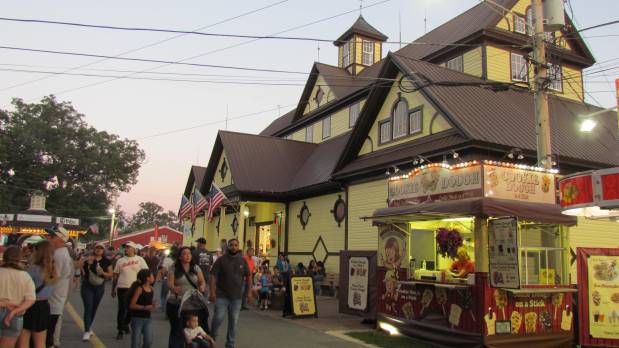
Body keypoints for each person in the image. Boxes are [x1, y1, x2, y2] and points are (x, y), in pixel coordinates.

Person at [209, 239, 252, 348]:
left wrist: (249, 292)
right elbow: (213, 276)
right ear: (228, 246)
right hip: (221, 296)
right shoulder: (221, 260)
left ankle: (230, 344)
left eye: (235, 245)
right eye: (231, 245)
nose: (233, 247)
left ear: (238, 247)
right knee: (218, 319)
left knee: (233, 322)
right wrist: (212, 292)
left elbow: (249, 276)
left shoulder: (242, 261)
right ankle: (211, 340)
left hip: (237, 298)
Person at [17, 240, 58, 348]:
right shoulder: (53, 270)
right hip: (44, 306)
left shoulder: (32, 269)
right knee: (40, 343)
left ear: (37, 251)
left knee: (23, 341)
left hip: (29, 306)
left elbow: (22, 287)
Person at [166, 246, 208, 348]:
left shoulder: (195, 268)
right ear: (180, 257)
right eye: (184, 254)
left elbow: (202, 281)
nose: (187, 256)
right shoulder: (174, 268)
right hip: (176, 302)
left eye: (189, 253)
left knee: (193, 329)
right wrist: (173, 288)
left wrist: (202, 287)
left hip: (192, 303)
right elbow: (169, 283)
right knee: (177, 330)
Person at [0, 246, 36, 347]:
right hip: (14, 315)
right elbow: (31, 299)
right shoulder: (25, 276)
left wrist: (3, 303)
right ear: (20, 259)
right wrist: (13, 312)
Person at [112, 241, 148, 340]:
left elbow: (146, 273)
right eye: (125, 247)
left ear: (133, 249)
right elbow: (115, 275)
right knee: (122, 309)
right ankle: (120, 330)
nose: (126, 249)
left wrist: (145, 286)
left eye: (128, 247)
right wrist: (113, 288)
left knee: (131, 309)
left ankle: (125, 324)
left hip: (135, 288)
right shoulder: (120, 261)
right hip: (122, 287)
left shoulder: (140, 259)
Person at [45, 227, 74, 348]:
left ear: (59, 238)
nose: (48, 238)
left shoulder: (58, 254)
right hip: (58, 295)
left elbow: (53, 278)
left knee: (48, 333)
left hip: (53, 296)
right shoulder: (63, 253)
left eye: (52, 236)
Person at [81, 243, 113, 341]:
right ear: (94, 249)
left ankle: (89, 326)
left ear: (104, 251)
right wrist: (85, 265)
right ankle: (86, 331)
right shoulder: (89, 258)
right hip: (87, 285)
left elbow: (110, 274)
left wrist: (103, 273)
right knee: (88, 307)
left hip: (99, 286)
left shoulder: (106, 261)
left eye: (101, 248)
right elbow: (79, 265)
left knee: (94, 307)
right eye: (97, 248)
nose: (99, 250)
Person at [128, 269, 155, 348]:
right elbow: (132, 305)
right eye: (152, 275)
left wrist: (152, 306)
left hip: (147, 318)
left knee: (148, 341)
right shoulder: (139, 289)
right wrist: (145, 307)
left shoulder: (151, 289)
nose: (153, 277)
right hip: (137, 319)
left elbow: (149, 305)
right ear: (147, 278)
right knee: (136, 343)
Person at [159, 247, 176, 313]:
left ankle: (165, 309)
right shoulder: (178, 260)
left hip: (167, 278)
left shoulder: (167, 259)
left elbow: (164, 270)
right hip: (176, 280)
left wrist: (163, 276)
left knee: (164, 295)